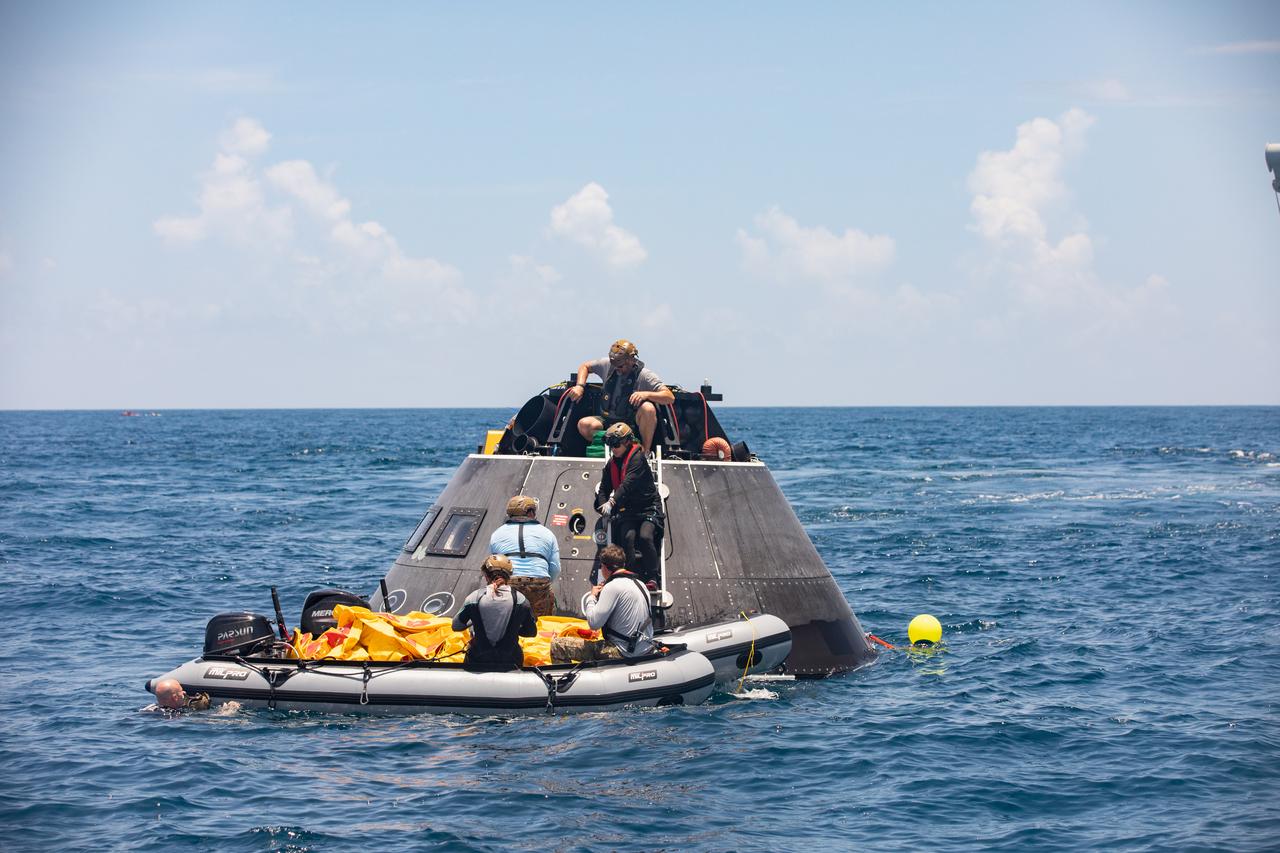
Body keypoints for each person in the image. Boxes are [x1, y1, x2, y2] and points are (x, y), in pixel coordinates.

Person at [566, 339, 674, 453]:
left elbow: (669, 397)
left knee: (648, 408)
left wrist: (645, 394)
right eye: (615, 365)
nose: (617, 369)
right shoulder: (608, 364)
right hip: (607, 420)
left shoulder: (645, 376)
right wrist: (580, 386)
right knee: (584, 425)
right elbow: (585, 366)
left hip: (631, 424)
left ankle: (644, 452)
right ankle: (612, 446)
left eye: (621, 366)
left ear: (631, 360)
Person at [550, 545, 654, 663]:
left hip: (623, 652)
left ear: (605, 567)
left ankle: (564, 680)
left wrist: (592, 597)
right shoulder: (641, 584)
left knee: (557, 645)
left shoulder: (612, 587)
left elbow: (594, 624)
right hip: (645, 648)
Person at [595, 422, 663, 587]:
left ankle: (653, 577)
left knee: (645, 536)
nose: (613, 448)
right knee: (628, 538)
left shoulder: (638, 459)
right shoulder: (611, 464)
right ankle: (629, 576)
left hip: (648, 507)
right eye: (610, 445)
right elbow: (604, 488)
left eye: (616, 444)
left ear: (627, 442)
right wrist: (602, 505)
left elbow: (627, 484)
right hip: (628, 510)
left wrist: (612, 502)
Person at [452, 555, 538, 669]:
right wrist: (514, 628)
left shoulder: (474, 598)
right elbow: (531, 632)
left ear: (486, 576)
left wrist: (474, 621)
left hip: (478, 659)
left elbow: (456, 626)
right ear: (508, 577)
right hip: (511, 660)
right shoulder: (521, 600)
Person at [489, 494, 561, 617]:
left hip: (508, 585)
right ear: (531, 512)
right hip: (539, 585)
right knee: (542, 623)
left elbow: (493, 567)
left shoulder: (496, 534)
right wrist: (544, 585)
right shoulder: (547, 534)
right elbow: (555, 568)